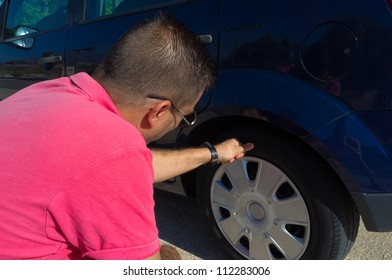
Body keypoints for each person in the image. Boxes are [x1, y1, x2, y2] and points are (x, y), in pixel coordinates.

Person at [0, 14, 253, 260]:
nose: (182, 124)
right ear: (159, 111)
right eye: (185, 117)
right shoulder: (112, 151)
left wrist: (213, 153)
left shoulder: (48, 92)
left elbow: (127, 165)